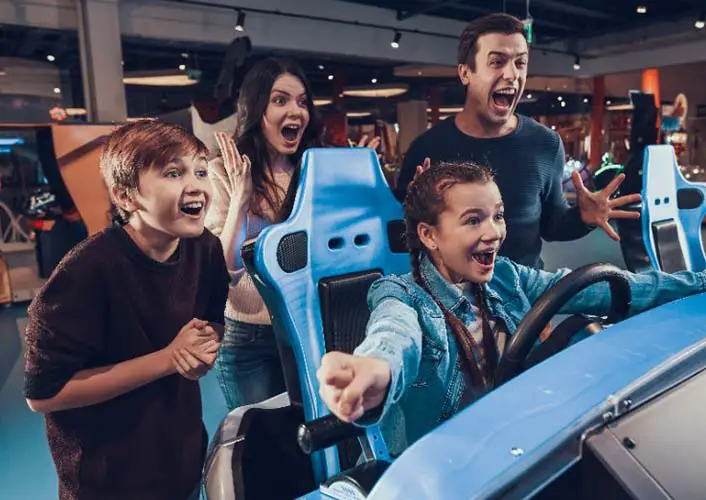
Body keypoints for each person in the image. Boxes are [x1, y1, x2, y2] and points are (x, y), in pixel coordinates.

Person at [317, 161, 706, 455]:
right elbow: (395, 335)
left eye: (498, 216)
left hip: (515, 443)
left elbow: (618, 288)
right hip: (445, 464)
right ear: (429, 235)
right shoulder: (402, 294)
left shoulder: (506, 277)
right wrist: (379, 368)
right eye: (473, 220)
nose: (494, 233)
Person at [23, 119, 230, 500]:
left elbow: (211, 325)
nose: (197, 184)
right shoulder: (83, 273)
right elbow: (42, 394)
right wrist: (169, 359)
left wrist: (202, 350)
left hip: (181, 460)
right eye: (173, 172)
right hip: (107, 478)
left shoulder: (206, 250)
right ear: (125, 196)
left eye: (200, 170)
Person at [395, 13, 639, 269]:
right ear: (466, 73)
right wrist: (413, 213)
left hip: (526, 298)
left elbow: (552, 226)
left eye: (520, 63)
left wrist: (583, 218)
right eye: (497, 62)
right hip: (452, 299)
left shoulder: (545, 143)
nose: (512, 74)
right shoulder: (427, 149)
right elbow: (403, 241)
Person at [206, 58, 383, 411]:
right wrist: (241, 199)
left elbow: (342, 246)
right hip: (249, 337)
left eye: (303, 102)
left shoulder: (317, 170)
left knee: (316, 434)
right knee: (264, 444)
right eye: (280, 100)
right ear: (257, 109)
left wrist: (360, 187)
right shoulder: (223, 171)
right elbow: (225, 269)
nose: (296, 111)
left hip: (311, 323)